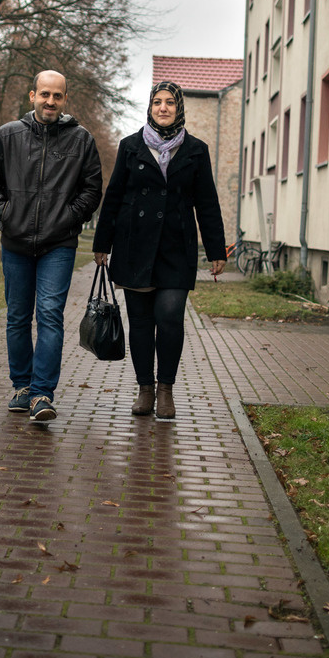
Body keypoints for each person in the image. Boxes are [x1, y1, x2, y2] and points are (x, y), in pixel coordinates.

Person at [91, 81, 226, 420]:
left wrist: (215, 250)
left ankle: (165, 389)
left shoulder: (196, 150)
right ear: (149, 108)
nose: (163, 108)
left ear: (179, 108)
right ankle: (145, 389)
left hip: (176, 248)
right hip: (135, 244)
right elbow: (114, 197)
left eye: (169, 103)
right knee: (140, 322)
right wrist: (101, 243)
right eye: (157, 103)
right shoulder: (130, 146)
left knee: (169, 318)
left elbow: (207, 203)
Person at [0, 70, 103, 423]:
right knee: (18, 317)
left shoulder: (81, 140)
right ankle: (21, 387)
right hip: (15, 242)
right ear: (32, 95)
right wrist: (6, 213)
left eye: (57, 96)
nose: (50, 101)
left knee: (49, 315)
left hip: (58, 245)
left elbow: (92, 189)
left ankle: (42, 394)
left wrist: (68, 218)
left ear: (65, 99)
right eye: (44, 94)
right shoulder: (8, 135)